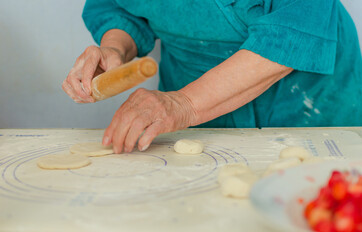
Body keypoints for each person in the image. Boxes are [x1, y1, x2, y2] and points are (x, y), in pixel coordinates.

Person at [63, 0, 362, 154]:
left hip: (305, 105)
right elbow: (123, 7)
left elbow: (290, 35)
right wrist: (115, 47)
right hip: (197, 117)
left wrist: (182, 104)